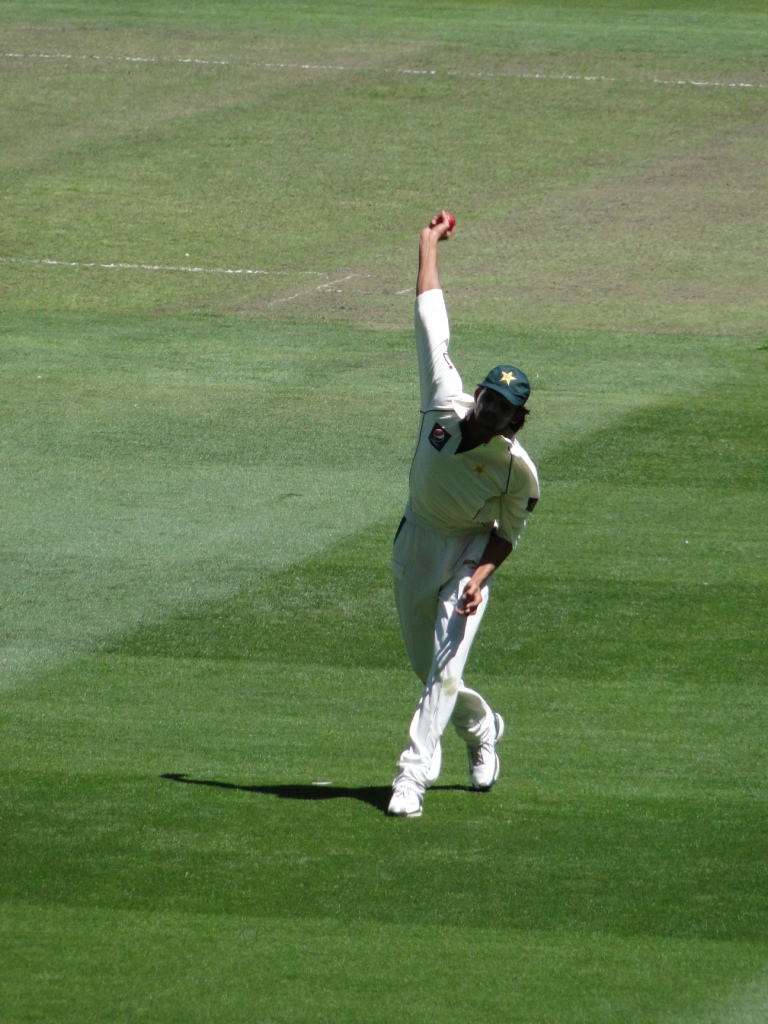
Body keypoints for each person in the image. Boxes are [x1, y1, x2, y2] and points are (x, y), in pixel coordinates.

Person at [387, 210, 540, 818]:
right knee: (429, 672)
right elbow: (430, 316)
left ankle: (411, 778)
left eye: (501, 408)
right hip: (414, 541)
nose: (487, 410)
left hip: (467, 555)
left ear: (515, 420)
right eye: (487, 396)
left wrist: (477, 582)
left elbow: (509, 535)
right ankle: (482, 728)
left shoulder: (517, 470)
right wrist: (427, 244)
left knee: (446, 668)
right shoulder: (442, 397)